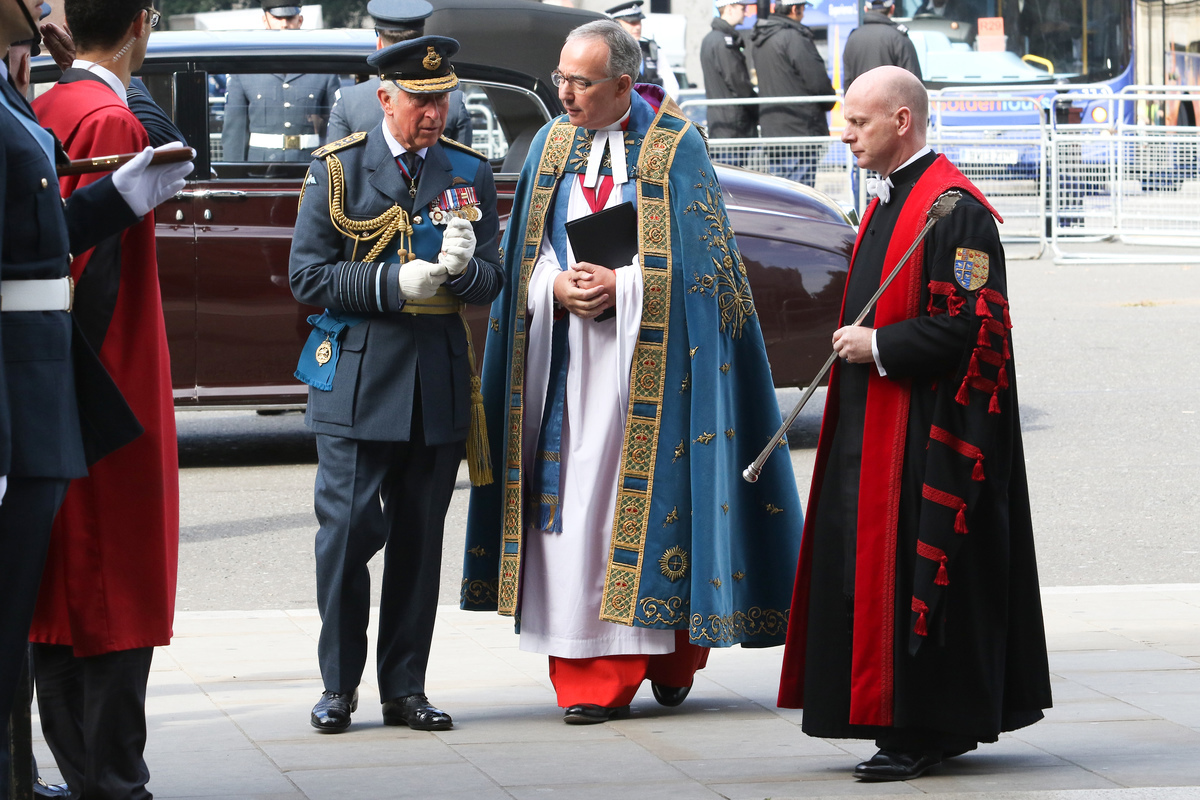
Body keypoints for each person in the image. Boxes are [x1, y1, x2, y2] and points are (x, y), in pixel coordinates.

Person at [463, 20, 802, 726]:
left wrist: (627, 286)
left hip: (652, 367)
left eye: (581, 83)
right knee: (570, 515)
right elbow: (526, 254)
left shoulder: (677, 148)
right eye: (561, 78)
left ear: (623, 84)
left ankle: (671, 653)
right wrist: (553, 286)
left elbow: (709, 275)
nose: (565, 94)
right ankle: (591, 671)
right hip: (563, 364)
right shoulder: (549, 144)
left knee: (657, 506)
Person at [776, 66, 1051, 782]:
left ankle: (922, 728)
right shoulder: (891, 197)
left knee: (918, 573)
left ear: (902, 121)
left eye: (858, 122)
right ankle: (888, 715)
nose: (846, 135)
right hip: (876, 418)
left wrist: (881, 346)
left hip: (929, 429)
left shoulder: (955, 210)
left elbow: (976, 327)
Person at [289, 34, 504, 734]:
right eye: (419, 101)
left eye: (442, 100)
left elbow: (492, 279)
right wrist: (389, 283)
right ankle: (338, 685)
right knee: (348, 533)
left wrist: (466, 270)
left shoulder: (467, 170)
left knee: (419, 539)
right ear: (385, 98)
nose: (433, 114)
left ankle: (405, 688)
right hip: (358, 373)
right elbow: (308, 276)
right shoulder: (339, 169)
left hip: (436, 375)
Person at [0, 0, 187, 795]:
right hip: (105, 379)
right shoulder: (107, 115)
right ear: (143, 20)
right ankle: (108, 778)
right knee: (113, 593)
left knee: (55, 600)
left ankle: (80, 771)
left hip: (65, 382)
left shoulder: (47, 101)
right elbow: (91, 278)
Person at [324, 0, 472, 147]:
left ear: (379, 45)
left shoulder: (348, 101)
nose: (434, 114)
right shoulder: (456, 101)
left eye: (441, 97)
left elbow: (337, 157)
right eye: (419, 97)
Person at [220, 1, 341, 162]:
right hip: (260, 167)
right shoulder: (244, 70)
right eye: (277, 18)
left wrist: (333, 169)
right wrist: (234, 172)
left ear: (300, 20)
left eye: (290, 18)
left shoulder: (323, 70)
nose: (284, 24)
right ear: (265, 21)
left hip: (309, 164)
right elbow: (234, 131)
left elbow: (334, 128)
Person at [749, 0, 835, 187]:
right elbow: (818, 81)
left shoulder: (762, 39)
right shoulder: (794, 38)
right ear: (795, 8)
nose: (803, 13)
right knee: (800, 195)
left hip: (773, 131)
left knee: (781, 193)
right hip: (800, 129)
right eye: (802, 8)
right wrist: (829, 100)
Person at [700, 0, 757, 143]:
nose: (746, 13)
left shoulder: (711, 39)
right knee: (732, 158)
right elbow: (738, 82)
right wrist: (757, 107)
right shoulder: (723, 42)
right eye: (742, 8)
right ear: (729, 9)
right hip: (733, 123)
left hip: (723, 121)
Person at [842, 0, 921, 91]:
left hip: (859, 99)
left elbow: (848, 83)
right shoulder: (898, 37)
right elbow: (914, 84)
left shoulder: (853, 38)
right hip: (892, 100)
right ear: (892, 9)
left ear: (865, 9)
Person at [605, 0, 679, 96]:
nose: (638, 27)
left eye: (639, 22)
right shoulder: (610, 51)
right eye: (632, 23)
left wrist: (662, 104)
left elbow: (671, 85)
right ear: (617, 24)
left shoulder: (652, 50)